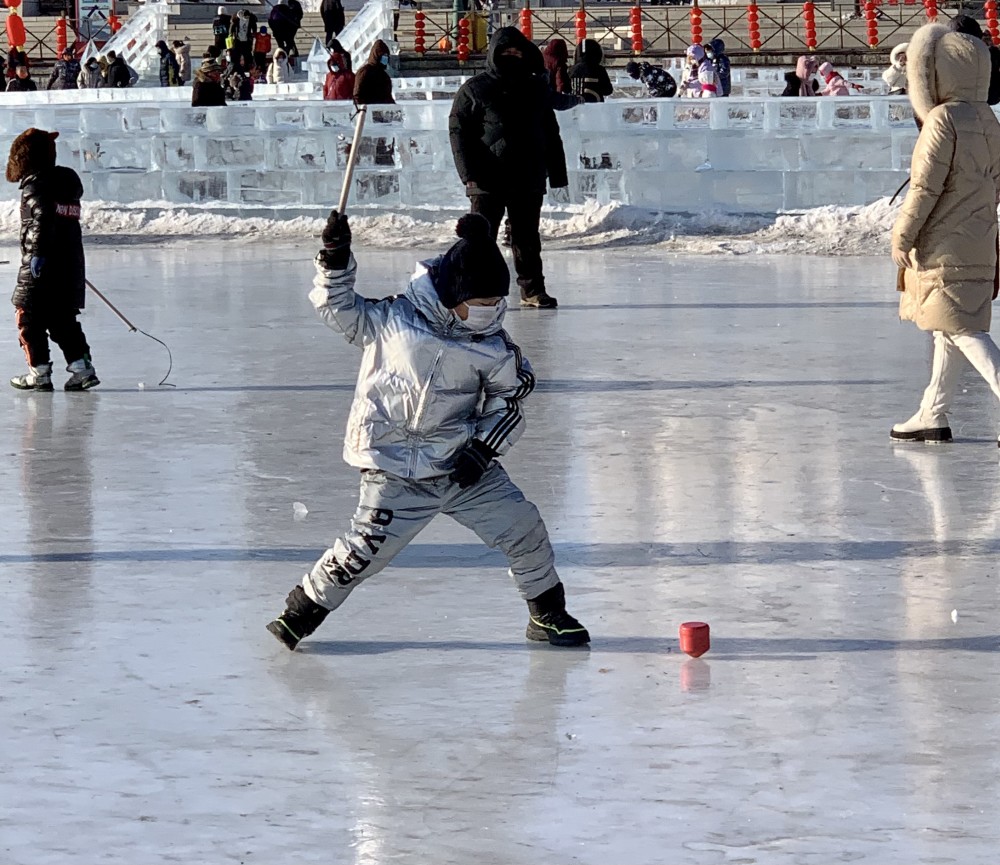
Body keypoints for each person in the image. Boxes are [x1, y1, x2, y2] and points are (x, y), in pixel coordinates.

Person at [265, 210, 590, 651]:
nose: (490, 311)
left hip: (461, 468)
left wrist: (482, 449)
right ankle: (300, 613)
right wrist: (335, 259)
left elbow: (510, 399)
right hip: (392, 470)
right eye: (480, 304)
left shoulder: (492, 347)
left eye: (497, 302)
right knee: (362, 552)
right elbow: (336, 306)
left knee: (524, 528)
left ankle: (547, 613)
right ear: (454, 294)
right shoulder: (393, 320)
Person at [889, 23, 1000, 444]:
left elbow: (925, 187)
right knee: (948, 325)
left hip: (943, 242)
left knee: (963, 330)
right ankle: (932, 412)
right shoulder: (987, 118)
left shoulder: (941, 119)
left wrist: (902, 235)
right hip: (979, 236)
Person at [450, 27, 568, 309]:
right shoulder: (474, 90)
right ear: (494, 55)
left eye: (517, 52)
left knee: (527, 236)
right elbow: (459, 133)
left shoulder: (536, 88)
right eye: (506, 53)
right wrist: (469, 174)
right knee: (481, 238)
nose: (512, 57)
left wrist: (558, 174)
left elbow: (550, 132)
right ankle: (474, 289)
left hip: (528, 175)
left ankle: (532, 289)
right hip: (486, 177)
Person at [6, 128, 99, 392]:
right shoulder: (66, 187)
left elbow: (42, 222)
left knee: (28, 318)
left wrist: (38, 254)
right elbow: (62, 225)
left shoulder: (37, 186)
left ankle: (39, 372)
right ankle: (82, 369)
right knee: (63, 320)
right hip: (68, 266)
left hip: (41, 267)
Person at [949, 14, 1000, 105]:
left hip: (943, 111)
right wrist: (991, 51)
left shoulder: (940, 56)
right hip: (974, 108)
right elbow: (992, 97)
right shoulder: (981, 57)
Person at [569, 38, 613, 103]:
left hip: (575, 107)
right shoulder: (599, 69)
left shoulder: (571, 70)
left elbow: (566, 89)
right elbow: (608, 91)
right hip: (596, 108)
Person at [353, 39, 394, 104]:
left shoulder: (385, 76)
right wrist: (361, 110)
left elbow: (388, 97)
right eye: (383, 55)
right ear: (376, 56)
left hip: (382, 111)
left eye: (387, 56)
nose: (385, 58)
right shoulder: (364, 72)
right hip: (367, 110)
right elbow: (357, 95)